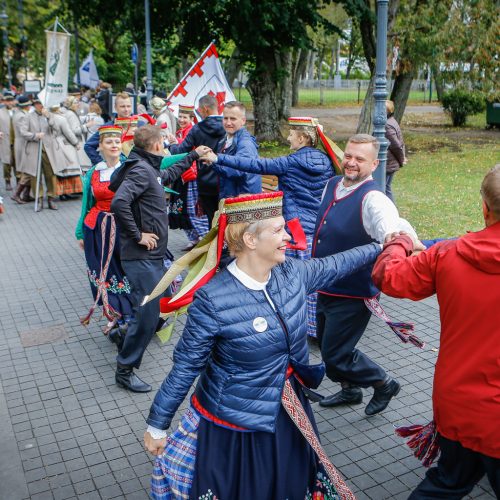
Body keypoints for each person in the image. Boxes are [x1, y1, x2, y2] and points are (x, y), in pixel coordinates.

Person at [143, 191, 382, 499]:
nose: (288, 237)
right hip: (237, 419)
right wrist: (157, 425)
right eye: (278, 230)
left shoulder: (292, 274)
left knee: (292, 479)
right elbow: (186, 366)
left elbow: (338, 264)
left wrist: (381, 246)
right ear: (251, 241)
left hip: (289, 406)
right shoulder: (213, 299)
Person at [372, 164, 500, 499]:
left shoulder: (447, 255)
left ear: (484, 207)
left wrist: (399, 241)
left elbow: (389, 277)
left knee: (447, 482)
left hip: (460, 406)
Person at [312, 133, 422, 415]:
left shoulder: (375, 199)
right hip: (325, 285)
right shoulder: (332, 184)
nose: (351, 163)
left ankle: (384, 383)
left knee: (336, 354)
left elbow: (391, 231)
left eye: (359, 159)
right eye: (348, 156)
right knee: (328, 349)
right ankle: (351, 390)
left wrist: (397, 237)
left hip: (353, 291)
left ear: (374, 164)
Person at [204, 116, 334, 337]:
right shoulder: (326, 161)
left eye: (292, 134)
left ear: (302, 138)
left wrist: (217, 159)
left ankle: (294, 325)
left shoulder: (292, 162)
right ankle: (315, 327)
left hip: (295, 230)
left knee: (292, 280)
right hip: (316, 230)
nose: (288, 137)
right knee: (312, 277)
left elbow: (256, 165)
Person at [109, 125, 209, 392]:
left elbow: (167, 174)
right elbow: (119, 203)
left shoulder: (147, 168)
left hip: (149, 256)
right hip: (139, 255)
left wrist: (192, 155)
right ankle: (125, 370)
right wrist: (138, 235)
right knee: (149, 312)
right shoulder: (141, 170)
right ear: (155, 145)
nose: (166, 145)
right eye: (163, 141)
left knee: (150, 310)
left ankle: (121, 334)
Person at [75, 125, 134, 346]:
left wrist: (191, 154)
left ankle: (129, 314)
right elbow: (86, 205)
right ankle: (116, 315)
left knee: (124, 271)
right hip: (97, 228)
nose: (114, 145)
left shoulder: (129, 168)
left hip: (123, 228)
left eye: (117, 141)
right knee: (102, 272)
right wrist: (80, 231)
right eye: (109, 142)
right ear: (100, 146)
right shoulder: (94, 172)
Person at [168, 94, 226, 227]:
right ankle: (225, 246)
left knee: (212, 220)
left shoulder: (198, 128)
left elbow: (181, 151)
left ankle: (214, 247)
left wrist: (171, 145)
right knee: (225, 220)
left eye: (199, 110)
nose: (198, 113)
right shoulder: (228, 126)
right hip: (225, 180)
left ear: (205, 109)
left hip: (205, 182)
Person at [168, 104, 209, 250]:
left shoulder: (192, 131)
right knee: (180, 208)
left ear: (192, 118)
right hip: (181, 174)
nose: (181, 119)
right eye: (180, 116)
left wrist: (173, 143)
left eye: (185, 117)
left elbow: (184, 151)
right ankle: (194, 238)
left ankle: (204, 237)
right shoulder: (180, 132)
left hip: (191, 175)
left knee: (192, 208)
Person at [208, 100, 261, 199]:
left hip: (243, 202)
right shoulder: (225, 139)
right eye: (225, 118)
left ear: (243, 120)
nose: (228, 123)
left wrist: (214, 162)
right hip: (231, 197)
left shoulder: (246, 143)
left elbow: (239, 170)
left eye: (233, 119)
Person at [18, 96, 59, 211]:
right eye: (38, 104)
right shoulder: (28, 117)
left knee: (51, 175)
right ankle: (39, 199)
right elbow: (23, 132)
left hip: (48, 150)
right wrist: (35, 136)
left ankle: (51, 198)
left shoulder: (49, 115)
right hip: (34, 149)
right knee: (35, 175)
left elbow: (56, 128)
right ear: (34, 104)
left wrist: (48, 117)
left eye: (42, 103)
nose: (41, 106)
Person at [85, 92, 133, 165]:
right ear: (115, 107)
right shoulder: (108, 127)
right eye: (122, 106)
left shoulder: (140, 125)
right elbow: (88, 146)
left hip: (137, 170)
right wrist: (101, 163)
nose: (126, 109)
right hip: (116, 171)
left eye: (128, 106)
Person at [47, 104, 82, 199]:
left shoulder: (47, 118)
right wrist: (76, 143)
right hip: (63, 144)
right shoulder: (61, 118)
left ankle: (61, 192)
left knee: (60, 170)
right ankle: (67, 192)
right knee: (68, 168)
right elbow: (68, 133)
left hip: (51, 145)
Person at [385, 100, 406, 203]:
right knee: (386, 187)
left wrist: (402, 159)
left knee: (384, 188)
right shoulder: (392, 121)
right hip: (391, 162)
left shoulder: (387, 125)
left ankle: (392, 211)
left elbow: (396, 145)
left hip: (388, 163)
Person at [0, 94, 18, 191]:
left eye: (11, 100)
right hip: (5, 141)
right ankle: (7, 181)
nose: (10, 102)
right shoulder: (0, 112)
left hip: (17, 141)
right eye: (7, 100)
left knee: (18, 162)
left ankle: (19, 181)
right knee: (7, 163)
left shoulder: (17, 111)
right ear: (4, 102)